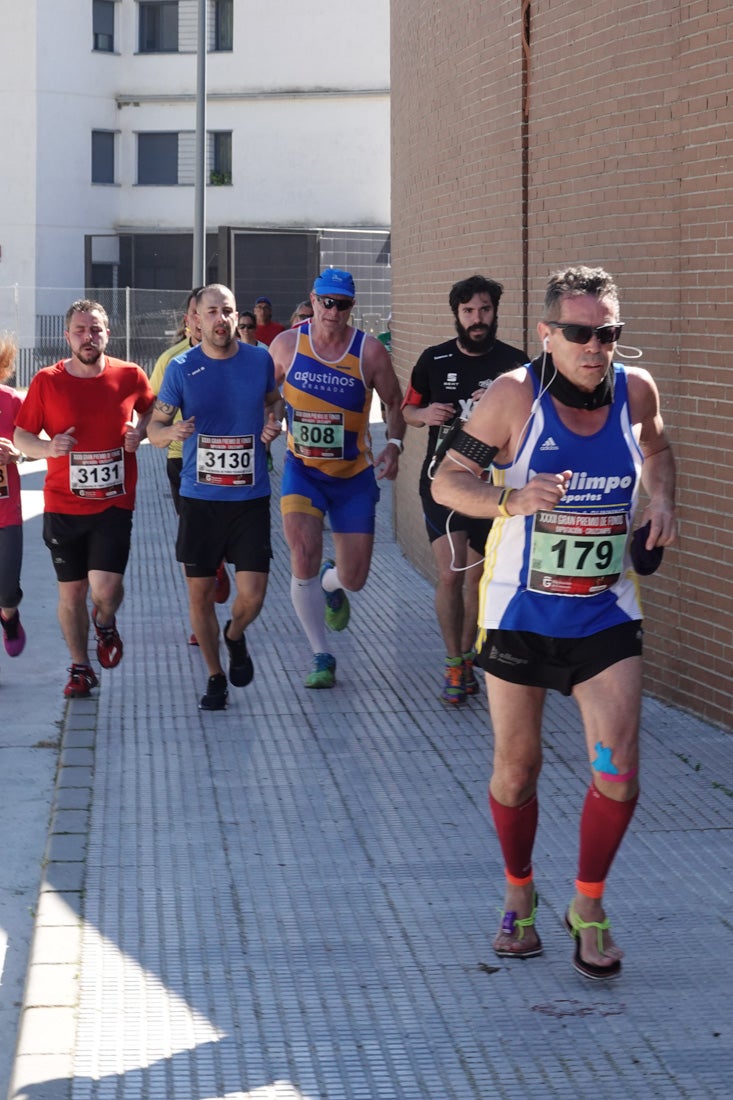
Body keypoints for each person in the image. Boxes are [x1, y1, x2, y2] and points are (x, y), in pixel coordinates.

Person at [431, 265, 677, 980]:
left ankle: (588, 906)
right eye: (579, 333)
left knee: (619, 773)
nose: (595, 346)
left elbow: (657, 451)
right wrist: (510, 501)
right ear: (546, 333)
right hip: (518, 612)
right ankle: (518, 892)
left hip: (604, 609)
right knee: (517, 770)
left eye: (607, 333)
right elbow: (448, 479)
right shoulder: (513, 398)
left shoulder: (636, 392)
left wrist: (660, 500)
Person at [148, 283, 283, 711]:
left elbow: (275, 403)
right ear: (196, 319)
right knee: (200, 595)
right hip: (200, 498)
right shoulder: (181, 368)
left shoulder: (259, 360)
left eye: (227, 311)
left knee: (253, 595)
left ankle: (235, 635)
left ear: (235, 315)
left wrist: (273, 423)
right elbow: (153, 429)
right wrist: (172, 432)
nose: (220, 319)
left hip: (249, 496)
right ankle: (214, 675)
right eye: (211, 312)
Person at [269, 268, 405, 689]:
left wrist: (394, 445)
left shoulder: (369, 353)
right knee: (301, 552)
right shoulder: (287, 344)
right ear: (312, 299)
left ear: (352, 307)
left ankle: (333, 581)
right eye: (325, 301)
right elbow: (267, 393)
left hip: (352, 476)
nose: (332, 311)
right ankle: (320, 654)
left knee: (355, 578)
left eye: (341, 304)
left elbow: (395, 402)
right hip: (303, 470)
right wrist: (269, 419)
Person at [14, 300, 155, 697]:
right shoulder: (47, 380)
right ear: (67, 336)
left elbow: (156, 412)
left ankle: (105, 622)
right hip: (62, 505)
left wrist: (140, 432)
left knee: (105, 591)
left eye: (95, 329)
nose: (88, 337)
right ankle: (80, 667)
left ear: (107, 333)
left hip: (113, 502)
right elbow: (22, 435)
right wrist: (47, 448)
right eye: (80, 330)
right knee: (72, 592)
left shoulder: (130, 375)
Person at [402, 275, 527, 705]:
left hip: (492, 487)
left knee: (476, 578)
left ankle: (470, 657)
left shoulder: (517, 366)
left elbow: (531, 424)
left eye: (485, 310)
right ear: (456, 314)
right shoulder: (433, 359)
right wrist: (425, 414)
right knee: (450, 575)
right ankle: (453, 661)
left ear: (495, 312)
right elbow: (406, 410)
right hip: (442, 481)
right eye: (469, 311)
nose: (477, 319)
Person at [150, 289, 230, 639]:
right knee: (196, 540)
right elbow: (152, 410)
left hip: (227, 456)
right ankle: (202, 617)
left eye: (214, 313)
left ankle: (220, 563)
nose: (205, 321)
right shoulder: (172, 360)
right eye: (199, 315)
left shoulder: (237, 356)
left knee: (222, 533)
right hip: (181, 459)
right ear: (190, 320)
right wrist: (161, 433)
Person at [0, 334, 27, 662]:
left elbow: (36, 447)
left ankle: (9, 615)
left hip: (7, 513)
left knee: (6, 591)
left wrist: (16, 454)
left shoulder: (11, 401)